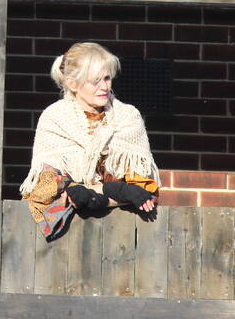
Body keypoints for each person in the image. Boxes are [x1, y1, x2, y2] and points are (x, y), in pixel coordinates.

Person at [19, 42, 161, 241]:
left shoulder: (128, 117)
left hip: (124, 232)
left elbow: (144, 192)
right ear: (72, 84)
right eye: (95, 81)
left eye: (107, 78)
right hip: (68, 240)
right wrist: (110, 193)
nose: (104, 87)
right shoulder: (54, 119)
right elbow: (43, 191)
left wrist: (106, 192)